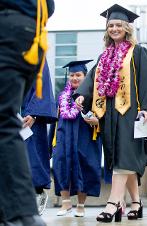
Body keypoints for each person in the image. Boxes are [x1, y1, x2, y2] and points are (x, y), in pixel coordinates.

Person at [74, 4, 147, 223]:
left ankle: (114, 203)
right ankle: (136, 203)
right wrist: (82, 96)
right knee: (121, 158)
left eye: (118, 25)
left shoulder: (138, 52)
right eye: (111, 25)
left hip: (130, 113)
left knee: (124, 156)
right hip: (109, 114)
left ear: (126, 27)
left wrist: (146, 109)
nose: (114, 28)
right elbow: (92, 80)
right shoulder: (104, 56)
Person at [0, 0, 54, 225]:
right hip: (30, 31)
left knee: (3, 124)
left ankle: (22, 213)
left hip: (9, 28)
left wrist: (32, 112)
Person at [52, 60, 102, 217]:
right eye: (72, 75)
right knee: (61, 164)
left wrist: (97, 122)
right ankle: (66, 203)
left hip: (85, 137)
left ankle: (81, 205)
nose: (74, 78)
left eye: (78, 75)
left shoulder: (92, 95)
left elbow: (102, 116)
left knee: (84, 167)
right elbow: (56, 119)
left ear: (85, 76)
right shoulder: (62, 97)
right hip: (63, 135)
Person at [21, 61, 57, 216]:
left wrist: (34, 113)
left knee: (32, 154)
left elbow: (42, 82)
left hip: (29, 114)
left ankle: (37, 192)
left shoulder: (35, 49)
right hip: (7, 112)